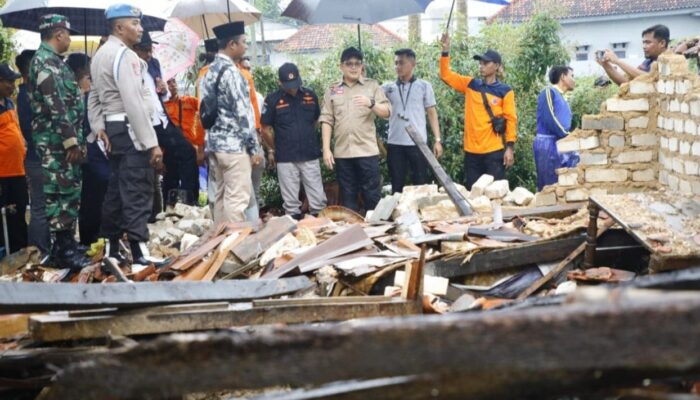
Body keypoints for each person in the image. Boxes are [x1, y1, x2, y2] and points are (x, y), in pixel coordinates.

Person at [88, 4, 163, 265]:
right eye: (135, 23)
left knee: (117, 191)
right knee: (137, 188)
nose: (140, 28)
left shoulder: (100, 55)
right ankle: (140, 252)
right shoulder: (125, 56)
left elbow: (94, 97)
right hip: (131, 129)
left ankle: (111, 250)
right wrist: (151, 143)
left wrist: (99, 127)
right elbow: (133, 102)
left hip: (114, 129)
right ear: (119, 27)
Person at [28, 15, 91, 270]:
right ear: (58, 34)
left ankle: (65, 245)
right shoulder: (44, 63)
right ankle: (63, 248)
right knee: (61, 193)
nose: (70, 39)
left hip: (62, 141)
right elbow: (56, 106)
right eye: (68, 34)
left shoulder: (56, 62)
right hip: (56, 143)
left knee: (69, 192)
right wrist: (70, 142)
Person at [201, 21, 261, 224]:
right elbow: (243, 113)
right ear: (232, 44)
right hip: (234, 146)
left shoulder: (209, 71)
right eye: (244, 42)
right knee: (237, 200)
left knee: (220, 197)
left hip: (216, 146)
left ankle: (219, 243)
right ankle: (234, 249)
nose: (246, 46)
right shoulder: (233, 73)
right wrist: (253, 148)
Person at [439, 33, 517, 190]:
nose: (481, 65)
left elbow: (511, 119)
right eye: (480, 63)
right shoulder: (470, 85)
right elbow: (445, 75)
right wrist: (445, 51)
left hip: (494, 152)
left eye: (485, 63)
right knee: (474, 197)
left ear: (496, 66)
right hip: (471, 152)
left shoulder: (505, 91)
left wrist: (509, 148)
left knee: (495, 195)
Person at [319, 47, 391, 212]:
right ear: (341, 66)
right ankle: (354, 235)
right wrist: (326, 149)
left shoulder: (371, 86)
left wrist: (371, 103)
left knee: (372, 198)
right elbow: (327, 120)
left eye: (357, 63)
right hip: (343, 154)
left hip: (367, 152)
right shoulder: (332, 90)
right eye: (349, 63)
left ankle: (376, 233)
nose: (353, 67)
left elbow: (387, 112)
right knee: (348, 199)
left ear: (362, 66)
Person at [134, 31, 198, 207]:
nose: (148, 54)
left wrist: (163, 89)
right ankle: (170, 201)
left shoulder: (154, 64)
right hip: (146, 121)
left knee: (185, 152)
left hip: (162, 118)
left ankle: (186, 199)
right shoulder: (132, 66)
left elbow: (165, 96)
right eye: (145, 51)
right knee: (166, 160)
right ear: (136, 49)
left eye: (150, 50)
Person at [261, 63, 327, 219]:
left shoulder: (310, 95)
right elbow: (265, 129)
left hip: (310, 154)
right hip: (286, 158)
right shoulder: (272, 100)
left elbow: (316, 120)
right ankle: (296, 234)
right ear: (280, 83)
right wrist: (273, 148)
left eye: (295, 83)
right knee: (291, 205)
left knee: (318, 200)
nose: (293, 88)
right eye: (288, 85)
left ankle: (321, 232)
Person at [382, 48, 442, 193]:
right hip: (395, 143)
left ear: (413, 63)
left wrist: (437, 140)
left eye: (401, 63)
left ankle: (420, 214)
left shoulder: (424, 86)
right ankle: (397, 214)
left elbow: (432, 113)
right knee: (397, 184)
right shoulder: (387, 88)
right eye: (396, 63)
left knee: (420, 184)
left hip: (418, 143)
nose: (398, 67)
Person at [16, 49, 50, 254]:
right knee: (39, 207)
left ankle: (45, 249)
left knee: (44, 207)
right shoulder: (26, 94)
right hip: (38, 158)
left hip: (39, 157)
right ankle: (39, 251)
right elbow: (31, 130)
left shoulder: (30, 92)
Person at [534, 66, 579, 192]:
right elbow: (549, 118)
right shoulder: (549, 92)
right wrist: (567, 135)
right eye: (572, 76)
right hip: (548, 144)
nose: (574, 80)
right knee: (549, 185)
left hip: (560, 143)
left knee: (562, 184)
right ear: (563, 77)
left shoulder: (562, 98)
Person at [0, 64, 28, 256]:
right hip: (1, 173)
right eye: (9, 81)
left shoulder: (9, 103)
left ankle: (20, 256)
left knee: (18, 216)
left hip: (17, 171)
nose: (13, 85)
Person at [236, 54, 265, 221]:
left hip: (256, 145)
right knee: (243, 188)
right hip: (239, 148)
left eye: (249, 69)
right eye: (244, 68)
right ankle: (248, 222)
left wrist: (264, 149)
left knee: (255, 186)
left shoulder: (258, 97)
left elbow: (263, 125)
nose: (247, 72)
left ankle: (256, 219)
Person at [597, 24, 670, 85]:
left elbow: (652, 81)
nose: (644, 46)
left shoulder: (670, 61)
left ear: (662, 43)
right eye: (643, 43)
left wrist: (617, 61)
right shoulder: (647, 62)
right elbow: (627, 84)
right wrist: (606, 65)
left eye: (648, 42)